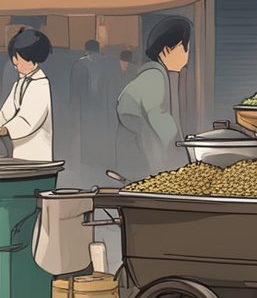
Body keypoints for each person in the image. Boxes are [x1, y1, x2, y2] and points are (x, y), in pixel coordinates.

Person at [116, 18, 191, 180]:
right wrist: (181, 168)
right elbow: (165, 129)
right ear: (167, 50)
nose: (187, 53)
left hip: (143, 165)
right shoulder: (154, 77)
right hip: (139, 169)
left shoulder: (161, 75)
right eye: (184, 47)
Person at [0, 28, 54, 162]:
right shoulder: (19, 83)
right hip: (18, 151)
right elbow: (6, 112)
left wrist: (2, 131)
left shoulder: (41, 85)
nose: (14, 62)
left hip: (36, 154)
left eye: (18, 58)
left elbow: (28, 120)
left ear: (32, 60)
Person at [70, 40, 113, 181]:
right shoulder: (106, 65)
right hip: (102, 107)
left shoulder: (80, 64)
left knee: (84, 136)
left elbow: (75, 92)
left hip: (84, 108)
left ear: (85, 48)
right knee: (100, 134)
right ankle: (98, 163)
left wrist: (73, 109)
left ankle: (86, 165)